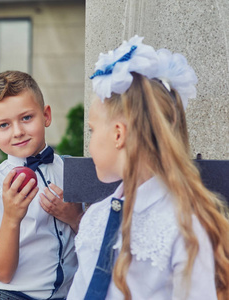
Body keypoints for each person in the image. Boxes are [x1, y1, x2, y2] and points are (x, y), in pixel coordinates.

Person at [67, 35, 229, 300]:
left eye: (92, 130)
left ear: (118, 134)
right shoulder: (95, 217)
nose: (90, 143)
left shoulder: (184, 226)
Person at [0, 70, 82, 300]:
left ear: (46, 115)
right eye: (4, 125)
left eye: (26, 118)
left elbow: (95, 235)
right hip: (14, 295)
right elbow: (1, 272)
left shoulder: (69, 170)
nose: (18, 132)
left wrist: (75, 217)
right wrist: (12, 217)